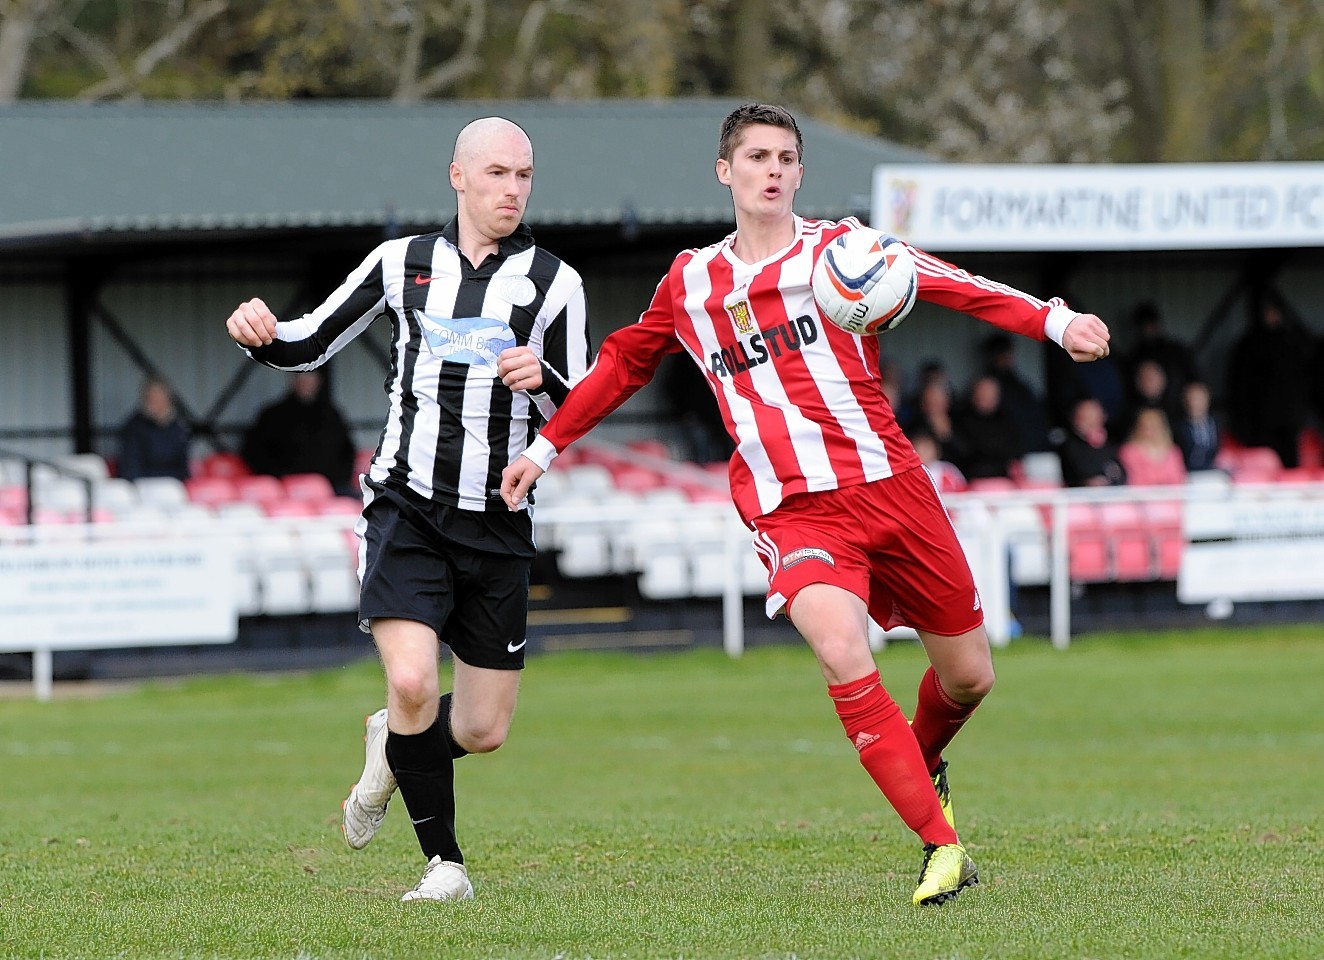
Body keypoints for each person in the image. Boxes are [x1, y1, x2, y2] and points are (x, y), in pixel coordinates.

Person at [500, 103, 1112, 906]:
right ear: (726, 172)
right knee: (840, 648)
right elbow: (624, 363)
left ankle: (922, 765)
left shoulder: (844, 252)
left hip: (892, 488)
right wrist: (546, 447)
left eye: (786, 156)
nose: (773, 169)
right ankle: (941, 844)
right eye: (756, 156)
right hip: (793, 509)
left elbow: (949, 282)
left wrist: (1054, 320)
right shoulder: (693, 280)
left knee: (969, 678)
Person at [224, 117, 591, 902]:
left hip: (498, 524)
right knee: (416, 681)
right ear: (457, 176)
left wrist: (547, 381)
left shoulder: (557, 283)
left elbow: (586, 403)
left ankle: (388, 746)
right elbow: (309, 341)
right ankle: (445, 865)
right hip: (408, 510)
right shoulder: (402, 263)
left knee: (485, 729)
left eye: (524, 175)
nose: (512, 190)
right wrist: (260, 334)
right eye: (496, 173)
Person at [1225, 299, 1315, 469]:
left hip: (1289, 422)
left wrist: (1300, 415)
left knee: (1290, 469)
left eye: (1274, 312)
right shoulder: (1250, 345)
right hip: (1261, 423)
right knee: (1264, 468)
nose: (1271, 317)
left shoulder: (1294, 343)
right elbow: (1241, 388)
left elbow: (1305, 382)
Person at [241, 369, 357, 494]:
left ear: (318, 381)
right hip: (286, 491)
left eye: (311, 378)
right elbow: (254, 451)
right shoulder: (273, 415)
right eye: (302, 378)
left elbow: (347, 451)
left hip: (332, 487)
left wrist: (337, 479)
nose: (307, 383)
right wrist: (279, 478)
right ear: (292, 381)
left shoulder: (332, 414)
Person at [116, 377, 191, 481]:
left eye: (161, 399)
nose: (158, 405)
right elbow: (130, 469)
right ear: (145, 401)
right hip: (144, 487)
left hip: (173, 486)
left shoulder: (177, 428)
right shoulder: (134, 428)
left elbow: (183, 469)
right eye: (153, 400)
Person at [952, 374, 1023, 482]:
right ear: (974, 393)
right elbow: (963, 451)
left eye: (992, 393)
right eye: (983, 391)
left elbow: (1015, 449)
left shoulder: (1007, 418)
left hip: (1002, 479)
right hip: (969, 478)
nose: (987, 397)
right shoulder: (960, 418)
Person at [1058, 396, 1127, 487]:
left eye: (1095, 416)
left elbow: (1123, 475)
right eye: (1086, 417)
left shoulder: (1114, 444)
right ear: (1075, 419)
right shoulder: (1067, 447)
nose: (1092, 422)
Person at [1118, 406, 1186, 486]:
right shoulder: (1129, 452)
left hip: (1173, 497)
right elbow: (1135, 482)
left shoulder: (1173, 451)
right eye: (1147, 425)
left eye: (1155, 425)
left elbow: (1179, 480)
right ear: (1139, 427)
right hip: (1140, 497)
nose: (1151, 430)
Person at [1172, 380, 1221, 473]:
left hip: (1212, 472)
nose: (1194, 403)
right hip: (1185, 474)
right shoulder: (1178, 427)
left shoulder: (1216, 424)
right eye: (1191, 398)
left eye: (1199, 398)